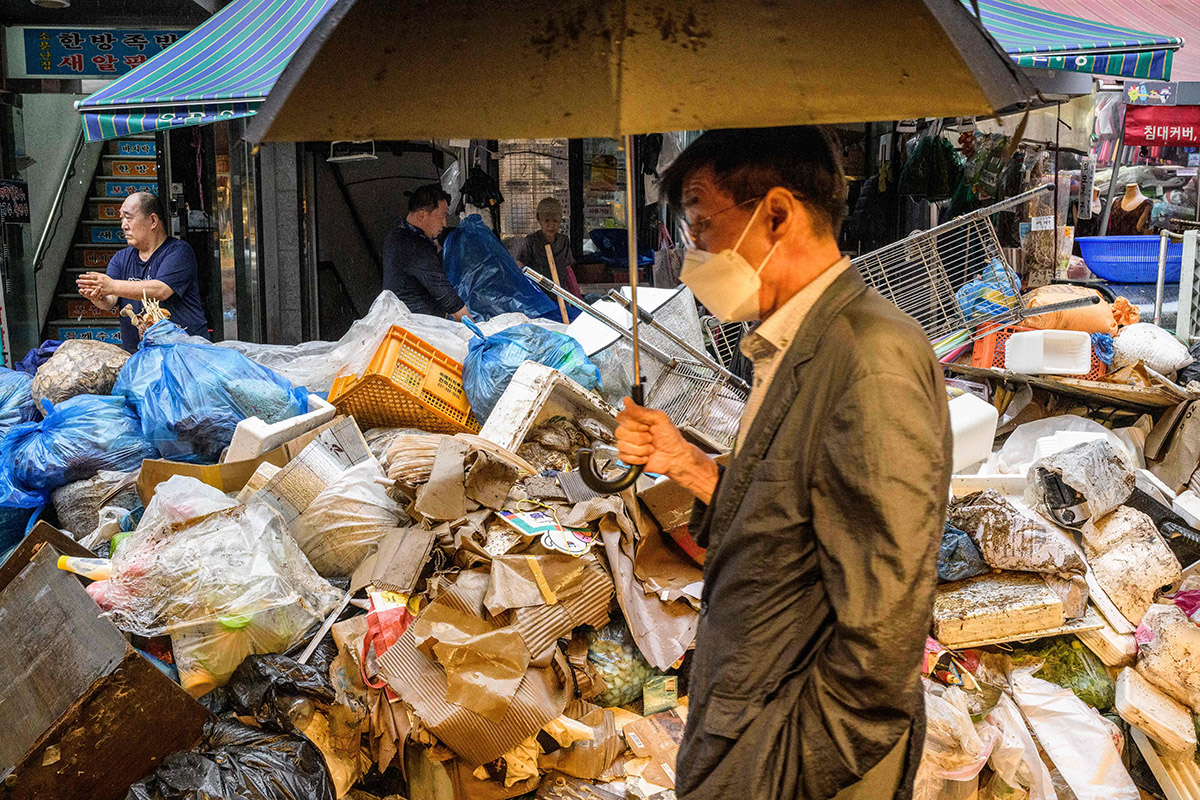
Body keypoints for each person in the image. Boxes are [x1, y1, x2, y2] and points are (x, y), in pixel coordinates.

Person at [614, 127, 950, 800]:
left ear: (775, 214)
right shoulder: (793, 343)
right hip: (752, 723)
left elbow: (883, 632)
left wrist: (786, 766)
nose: (694, 253)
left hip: (794, 757)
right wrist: (684, 462)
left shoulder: (868, 360)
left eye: (703, 225)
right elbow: (789, 510)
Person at [76, 191, 209, 353]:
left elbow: (161, 290)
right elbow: (110, 300)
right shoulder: (121, 258)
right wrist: (98, 297)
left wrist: (111, 285)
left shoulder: (179, 251)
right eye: (121, 219)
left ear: (153, 220)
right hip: (141, 356)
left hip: (184, 353)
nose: (123, 225)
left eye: (128, 217)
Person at [382, 183, 468, 320]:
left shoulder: (395, 236)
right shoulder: (415, 247)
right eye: (442, 216)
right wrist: (478, 334)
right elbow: (450, 301)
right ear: (421, 215)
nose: (444, 223)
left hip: (398, 320)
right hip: (418, 329)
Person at [516, 197, 577, 295]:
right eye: (547, 221)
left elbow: (568, 270)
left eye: (555, 221)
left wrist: (576, 295)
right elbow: (520, 267)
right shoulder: (531, 241)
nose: (551, 225)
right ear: (538, 219)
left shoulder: (563, 240)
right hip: (538, 296)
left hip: (559, 294)